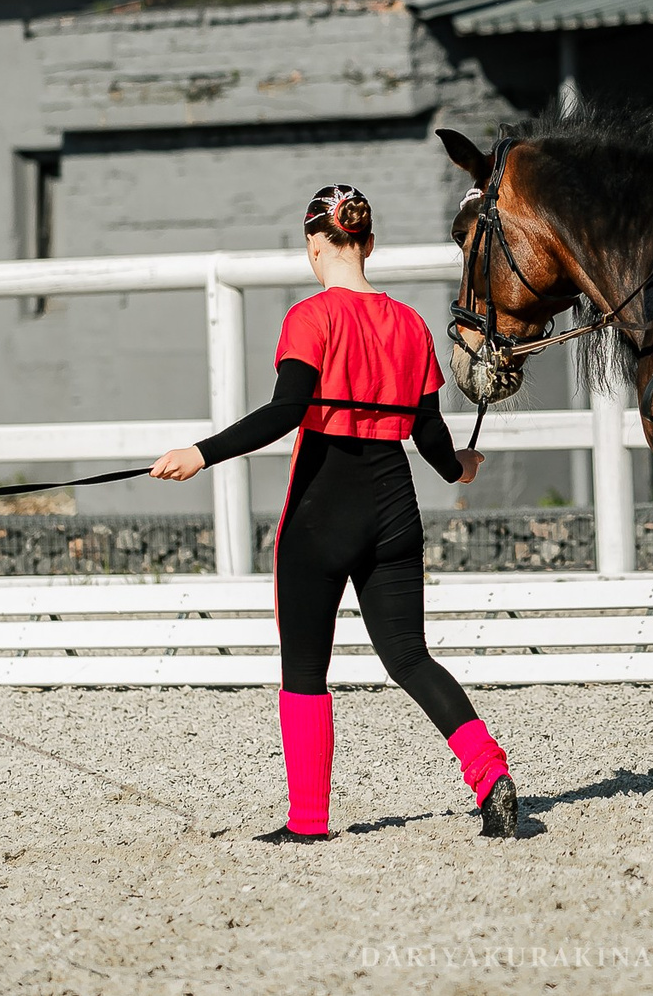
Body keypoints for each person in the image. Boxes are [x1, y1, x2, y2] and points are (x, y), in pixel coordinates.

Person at [148, 185, 517, 843]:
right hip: (394, 505)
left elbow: (286, 410)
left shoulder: (310, 318)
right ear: (368, 244)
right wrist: (459, 466)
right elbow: (428, 433)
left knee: (305, 672)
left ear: (315, 246)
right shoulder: (409, 323)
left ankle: (309, 820)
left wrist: (200, 453)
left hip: (323, 506)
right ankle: (489, 774)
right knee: (410, 657)